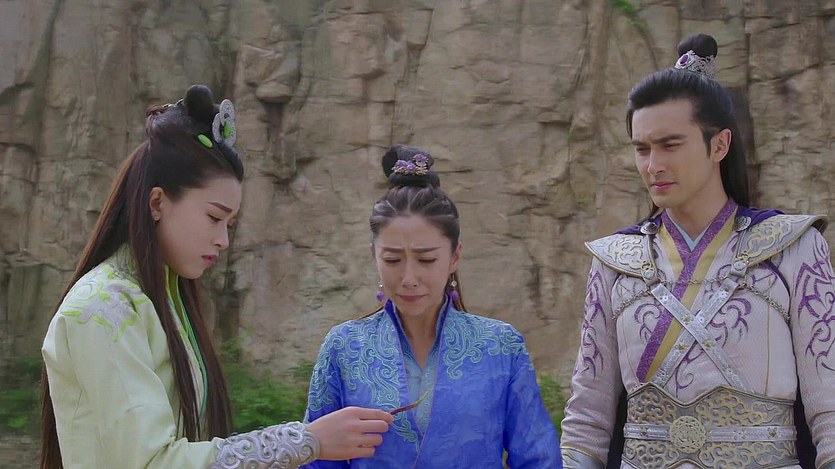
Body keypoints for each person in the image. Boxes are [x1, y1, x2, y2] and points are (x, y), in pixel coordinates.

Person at [40, 84, 393, 469]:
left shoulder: (161, 300)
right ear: (157, 202)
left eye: (230, 224)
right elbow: (151, 462)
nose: (223, 240)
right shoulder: (100, 310)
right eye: (213, 217)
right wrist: (304, 441)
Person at [560, 33, 835, 469]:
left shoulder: (792, 247)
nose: (654, 165)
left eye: (670, 145)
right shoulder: (615, 261)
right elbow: (586, 422)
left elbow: (831, 410)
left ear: (719, 145)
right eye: (642, 149)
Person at [302, 145, 562, 468]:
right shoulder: (343, 348)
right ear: (374, 256)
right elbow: (316, 459)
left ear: (454, 257)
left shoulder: (500, 346)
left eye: (426, 260)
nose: (409, 278)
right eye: (392, 260)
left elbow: (539, 459)